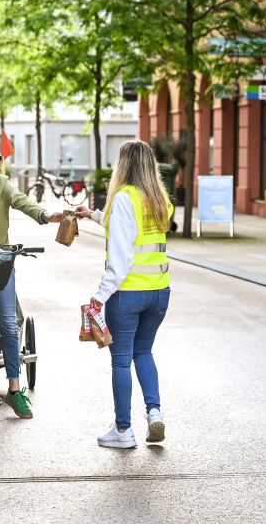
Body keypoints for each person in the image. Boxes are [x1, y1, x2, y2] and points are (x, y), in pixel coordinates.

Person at [74, 139, 172, 449]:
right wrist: (92, 214)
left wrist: (100, 295)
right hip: (160, 292)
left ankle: (123, 430)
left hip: (128, 294)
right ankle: (154, 413)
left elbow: (120, 257)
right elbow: (128, 229)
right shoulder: (159, 200)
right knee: (144, 352)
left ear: (123, 165)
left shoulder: (123, 198)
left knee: (120, 362)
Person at [0, 140, 63, 419]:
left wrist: (44, 214)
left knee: (7, 321)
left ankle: (14, 391)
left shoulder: (2, 185)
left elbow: (22, 201)